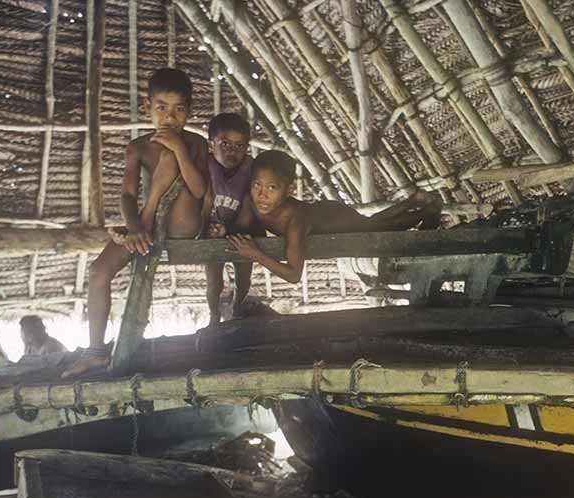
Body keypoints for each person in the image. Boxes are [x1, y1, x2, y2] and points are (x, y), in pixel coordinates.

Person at [62, 67, 208, 378]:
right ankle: (95, 351)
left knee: (171, 155)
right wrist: (136, 226)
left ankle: (138, 228)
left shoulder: (195, 144)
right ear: (147, 108)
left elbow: (199, 190)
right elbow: (127, 195)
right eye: (162, 108)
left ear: (189, 111)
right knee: (98, 270)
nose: (170, 117)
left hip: (183, 225)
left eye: (179, 109)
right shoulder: (138, 147)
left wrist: (180, 149)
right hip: (149, 227)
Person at [227, 150, 442, 284]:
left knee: (378, 228)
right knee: (373, 223)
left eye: (272, 188)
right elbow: (241, 226)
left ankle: (424, 210)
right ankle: (415, 201)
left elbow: (293, 275)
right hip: (323, 212)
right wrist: (224, 230)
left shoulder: (295, 221)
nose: (262, 194)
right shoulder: (251, 200)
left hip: (335, 218)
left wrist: (256, 254)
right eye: (257, 185)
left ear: (289, 190)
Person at [202, 113, 255, 326]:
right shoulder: (203, 166)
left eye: (239, 145)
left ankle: (237, 311)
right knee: (214, 282)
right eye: (224, 143)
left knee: (244, 279)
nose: (232, 150)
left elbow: (252, 207)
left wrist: (231, 230)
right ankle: (214, 316)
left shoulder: (251, 169)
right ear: (210, 144)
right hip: (210, 235)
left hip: (241, 232)